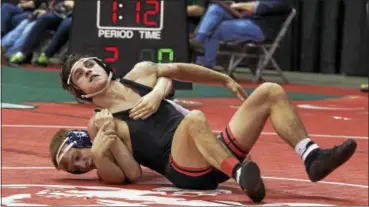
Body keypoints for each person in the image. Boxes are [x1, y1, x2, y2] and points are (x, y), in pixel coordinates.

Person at [49, 55, 357, 203]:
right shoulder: (100, 120)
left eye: (89, 64)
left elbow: (178, 70)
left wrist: (222, 78)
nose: (88, 70)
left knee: (270, 91)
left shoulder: (140, 74)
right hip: (183, 168)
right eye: (80, 74)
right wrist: (107, 140)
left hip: (210, 149)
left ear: (103, 64)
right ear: (80, 92)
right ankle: (239, 174)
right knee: (194, 119)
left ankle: (311, 157)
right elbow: (128, 175)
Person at [190, 0, 291, 69]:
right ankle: (199, 41)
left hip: (260, 28)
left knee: (214, 27)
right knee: (215, 8)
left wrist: (237, 5)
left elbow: (259, 8)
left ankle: (204, 64)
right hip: (245, 19)